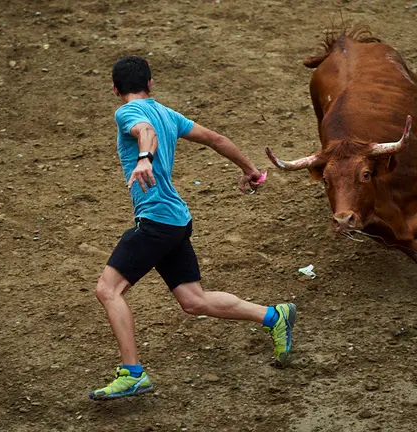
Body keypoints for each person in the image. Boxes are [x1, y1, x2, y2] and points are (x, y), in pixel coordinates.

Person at [89, 56, 296, 401]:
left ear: (114, 89)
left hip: (157, 221)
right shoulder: (170, 115)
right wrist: (252, 171)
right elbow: (216, 138)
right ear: (151, 84)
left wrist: (144, 158)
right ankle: (274, 315)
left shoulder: (126, 113)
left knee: (108, 290)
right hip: (176, 220)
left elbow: (145, 131)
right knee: (193, 300)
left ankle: (132, 374)